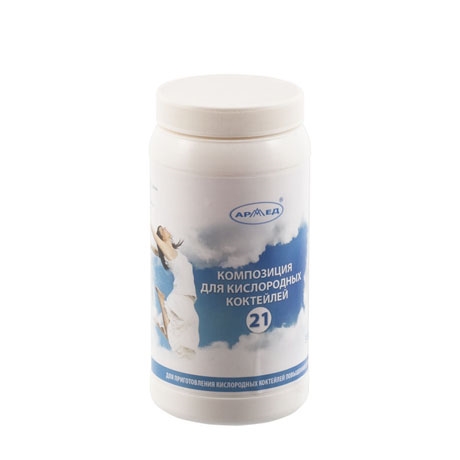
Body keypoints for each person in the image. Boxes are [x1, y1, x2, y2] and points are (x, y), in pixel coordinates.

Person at [152, 225, 199, 358]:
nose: (165, 229)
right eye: (162, 230)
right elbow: (158, 245)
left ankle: (184, 358)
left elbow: (157, 251)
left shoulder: (174, 252)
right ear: (161, 237)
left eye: (164, 228)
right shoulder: (169, 253)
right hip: (180, 295)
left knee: (188, 328)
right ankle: (162, 303)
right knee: (186, 325)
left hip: (188, 297)